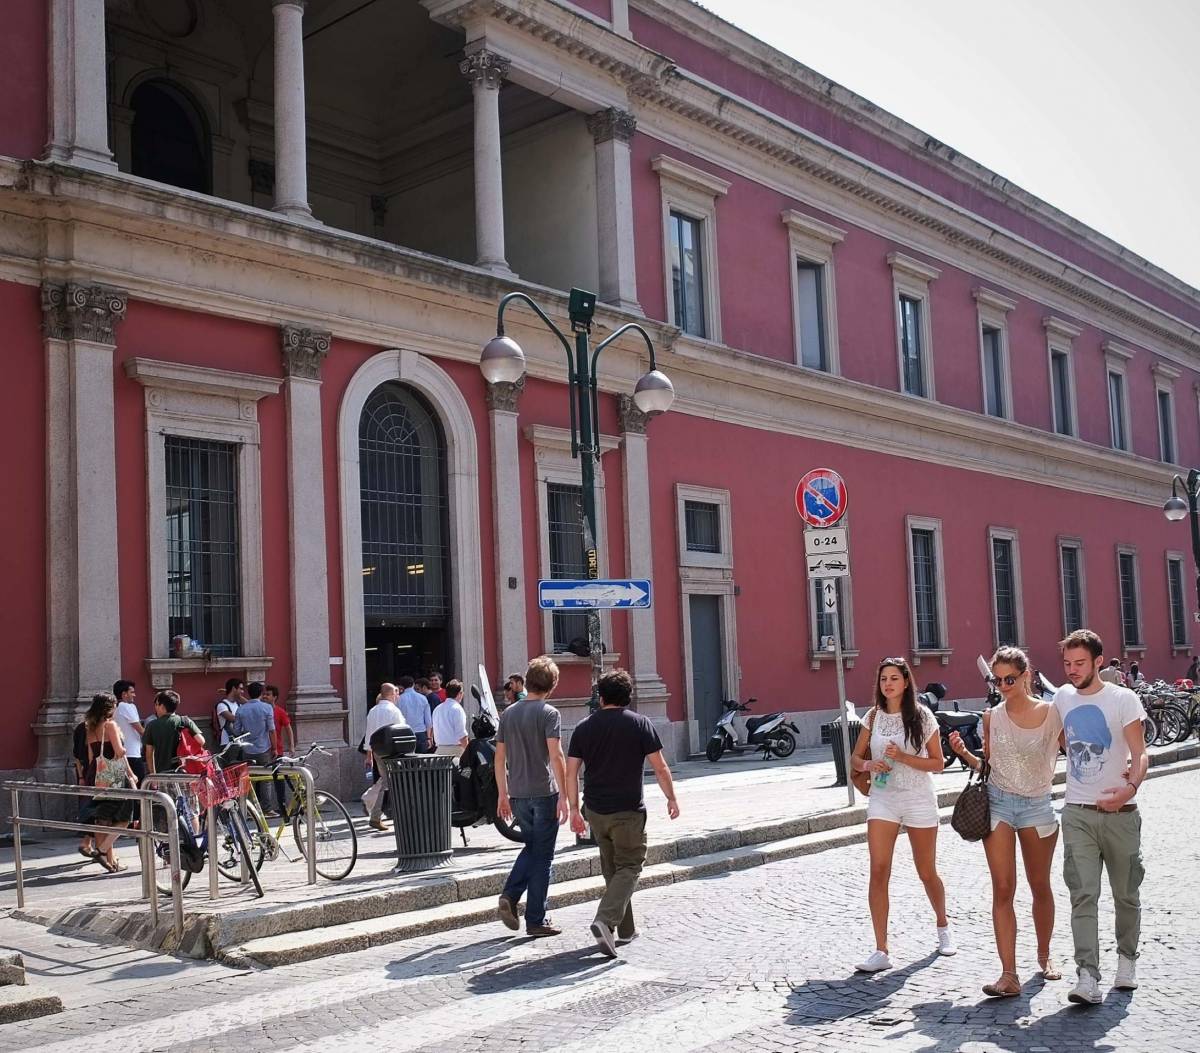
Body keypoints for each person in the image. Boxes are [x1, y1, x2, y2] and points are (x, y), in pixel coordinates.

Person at [950, 647, 1064, 997]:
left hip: (1038, 806)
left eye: (1009, 679)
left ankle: (1044, 956)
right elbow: (990, 767)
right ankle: (1008, 975)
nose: (1003, 686)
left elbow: (1075, 751)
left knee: (1039, 885)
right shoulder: (991, 717)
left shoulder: (1053, 713)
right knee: (1002, 888)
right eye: (997, 680)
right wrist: (965, 754)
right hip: (998, 803)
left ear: (1027, 675)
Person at [1055, 629, 1148, 1005]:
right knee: (1083, 894)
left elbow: (1141, 753)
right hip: (1076, 811)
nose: (1072, 670)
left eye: (1079, 663)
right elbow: (1061, 737)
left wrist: (1131, 787)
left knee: (1126, 893)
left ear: (1097, 662)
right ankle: (1087, 975)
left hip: (1121, 813)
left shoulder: (1123, 699)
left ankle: (1126, 961)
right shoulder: (1062, 697)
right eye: (1066, 664)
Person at [850, 656, 955, 972]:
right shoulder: (873, 716)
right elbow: (855, 758)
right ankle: (881, 950)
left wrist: (905, 758)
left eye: (894, 678)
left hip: (918, 797)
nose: (888, 684)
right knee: (878, 870)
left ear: (906, 682)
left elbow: (938, 763)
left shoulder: (922, 717)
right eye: (884, 679)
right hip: (883, 798)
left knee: (926, 870)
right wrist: (870, 764)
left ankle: (943, 926)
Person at [565, 669, 680, 957]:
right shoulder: (640, 724)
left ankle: (625, 929)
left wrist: (572, 809)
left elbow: (571, 772)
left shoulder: (583, 727)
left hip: (595, 810)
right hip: (627, 810)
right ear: (628, 697)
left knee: (613, 869)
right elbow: (660, 766)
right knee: (630, 866)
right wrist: (671, 798)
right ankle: (605, 920)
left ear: (600, 697)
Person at [495, 656, 569, 938]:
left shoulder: (509, 713)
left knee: (533, 847)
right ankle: (534, 917)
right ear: (553, 684)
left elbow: (499, 758)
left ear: (527, 680)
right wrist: (564, 794)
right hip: (543, 791)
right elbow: (556, 754)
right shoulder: (549, 713)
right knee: (543, 856)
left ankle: (512, 897)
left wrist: (503, 794)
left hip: (518, 794)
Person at [84, 692, 138, 874]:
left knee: (103, 819)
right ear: (110, 707)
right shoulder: (110, 725)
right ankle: (101, 851)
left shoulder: (90, 727)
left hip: (96, 775)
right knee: (124, 817)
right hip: (114, 776)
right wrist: (131, 774)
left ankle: (111, 862)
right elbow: (119, 753)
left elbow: (91, 756)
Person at [364, 684, 406, 831]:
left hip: (377, 750)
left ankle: (376, 813)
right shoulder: (394, 711)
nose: (398, 695)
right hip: (392, 752)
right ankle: (378, 812)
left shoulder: (373, 711)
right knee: (392, 782)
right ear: (391, 694)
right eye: (396, 692)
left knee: (386, 781)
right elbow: (403, 731)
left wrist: (369, 754)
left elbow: (369, 734)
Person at [234, 682, 277, 812]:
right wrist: (274, 748)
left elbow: (237, 731)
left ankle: (247, 809)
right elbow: (271, 730)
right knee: (266, 779)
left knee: (247, 779)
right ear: (260, 693)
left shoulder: (241, 709)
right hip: (264, 748)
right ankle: (266, 808)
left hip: (247, 749)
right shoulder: (267, 708)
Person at [143, 690, 205, 775]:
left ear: (162, 706)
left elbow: (149, 753)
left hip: (162, 773)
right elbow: (201, 741)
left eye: (157, 704)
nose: (156, 707)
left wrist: (153, 774)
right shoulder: (185, 721)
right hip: (185, 771)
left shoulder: (151, 725)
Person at [265, 684, 295, 815]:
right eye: (264, 694)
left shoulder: (280, 711)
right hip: (264, 750)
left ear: (275, 697)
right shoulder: (261, 710)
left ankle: (283, 806)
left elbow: (288, 728)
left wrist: (292, 746)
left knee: (280, 779)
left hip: (278, 750)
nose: (265, 696)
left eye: (268, 694)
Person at [72, 717, 97, 858]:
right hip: (94, 772)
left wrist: (80, 776)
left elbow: (76, 756)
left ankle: (87, 843)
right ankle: (89, 843)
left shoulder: (80, 727)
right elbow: (91, 755)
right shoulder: (95, 727)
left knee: (88, 806)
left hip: (84, 772)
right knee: (97, 809)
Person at [112, 679, 146, 785]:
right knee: (140, 784)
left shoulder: (118, 707)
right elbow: (140, 729)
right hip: (132, 754)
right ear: (124, 694)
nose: (134, 695)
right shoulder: (126, 706)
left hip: (125, 753)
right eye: (132, 692)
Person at [430, 679, 469, 757]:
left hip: (439, 750)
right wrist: (469, 752)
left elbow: (433, 729)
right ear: (460, 693)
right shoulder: (457, 709)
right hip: (455, 751)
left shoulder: (437, 708)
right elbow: (461, 734)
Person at [396, 675, 432, 752]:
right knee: (422, 761)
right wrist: (429, 737)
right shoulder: (423, 698)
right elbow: (428, 721)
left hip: (405, 733)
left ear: (402, 686)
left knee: (407, 761)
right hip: (421, 733)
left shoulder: (399, 700)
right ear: (413, 684)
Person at [216, 678, 245, 751]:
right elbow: (235, 719)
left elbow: (252, 706)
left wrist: (238, 695)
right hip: (227, 743)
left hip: (240, 742)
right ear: (233, 688)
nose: (242, 691)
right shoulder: (222, 705)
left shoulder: (239, 705)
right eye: (240, 689)